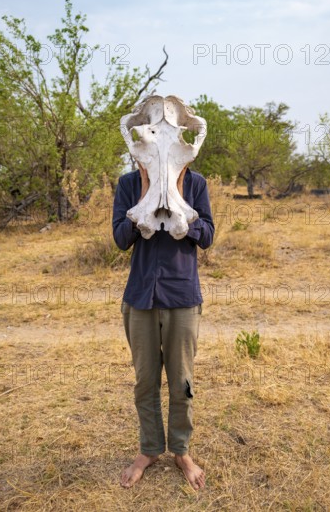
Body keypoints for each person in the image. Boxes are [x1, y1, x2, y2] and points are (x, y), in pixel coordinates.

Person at [112, 160, 214, 490]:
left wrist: (189, 225)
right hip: (140, 297)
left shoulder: (195, 183)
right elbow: (119, 238)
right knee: (145, 382)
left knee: (182, 382)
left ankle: (181, 452)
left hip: (182, 295)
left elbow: (208, 234)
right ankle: (150, 450)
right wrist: (141, 204)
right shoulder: (128, 184)